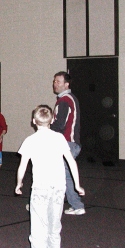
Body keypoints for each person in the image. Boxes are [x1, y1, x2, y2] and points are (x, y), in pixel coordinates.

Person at [15, 105, 85, 248]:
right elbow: (71, 162)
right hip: (57, 189)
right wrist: (77, 185)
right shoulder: (59, 138)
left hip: (40, 190)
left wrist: (19, 183)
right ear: (53, 120)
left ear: (33, 121)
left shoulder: (30, 140)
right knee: (55, 227)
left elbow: (22, 166)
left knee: (38, 232)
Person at [50, 71, 85, 215]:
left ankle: (77, 205)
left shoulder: (64, 100)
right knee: (62, 173)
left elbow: (59, 125)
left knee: (64, 174)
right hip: (68, 142)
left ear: (66, 84)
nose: (55, 84)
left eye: (58, 81)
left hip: (67, 143)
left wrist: (45, 127)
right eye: (54, 81)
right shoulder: (68, 99)